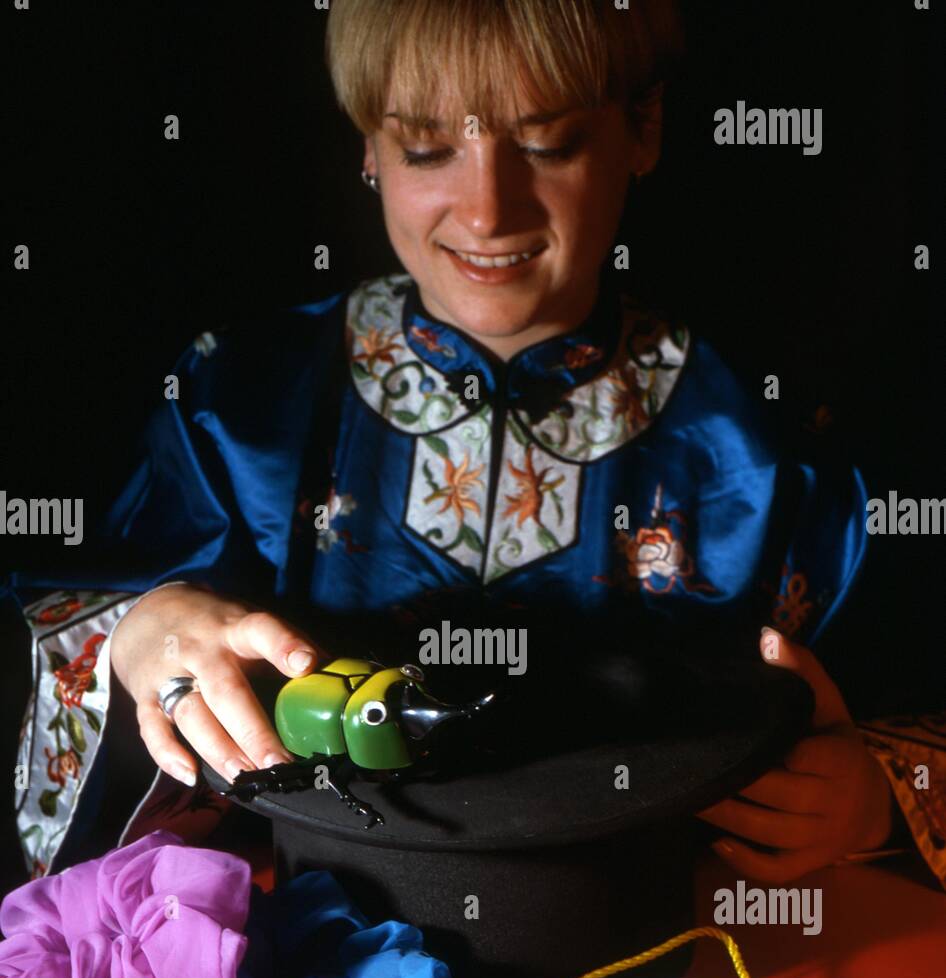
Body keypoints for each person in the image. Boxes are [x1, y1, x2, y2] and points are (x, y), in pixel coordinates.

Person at [11, 0, 944, 891]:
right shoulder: (238, 405)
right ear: (368, 147)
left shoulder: (770, 449)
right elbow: (79, 637)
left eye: (549, 143)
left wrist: (879, 804)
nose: (489, 211)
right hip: (302, 970)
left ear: (643, 128)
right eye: (426, 147)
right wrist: (133, 637)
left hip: (676, 976)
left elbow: (910, 716)